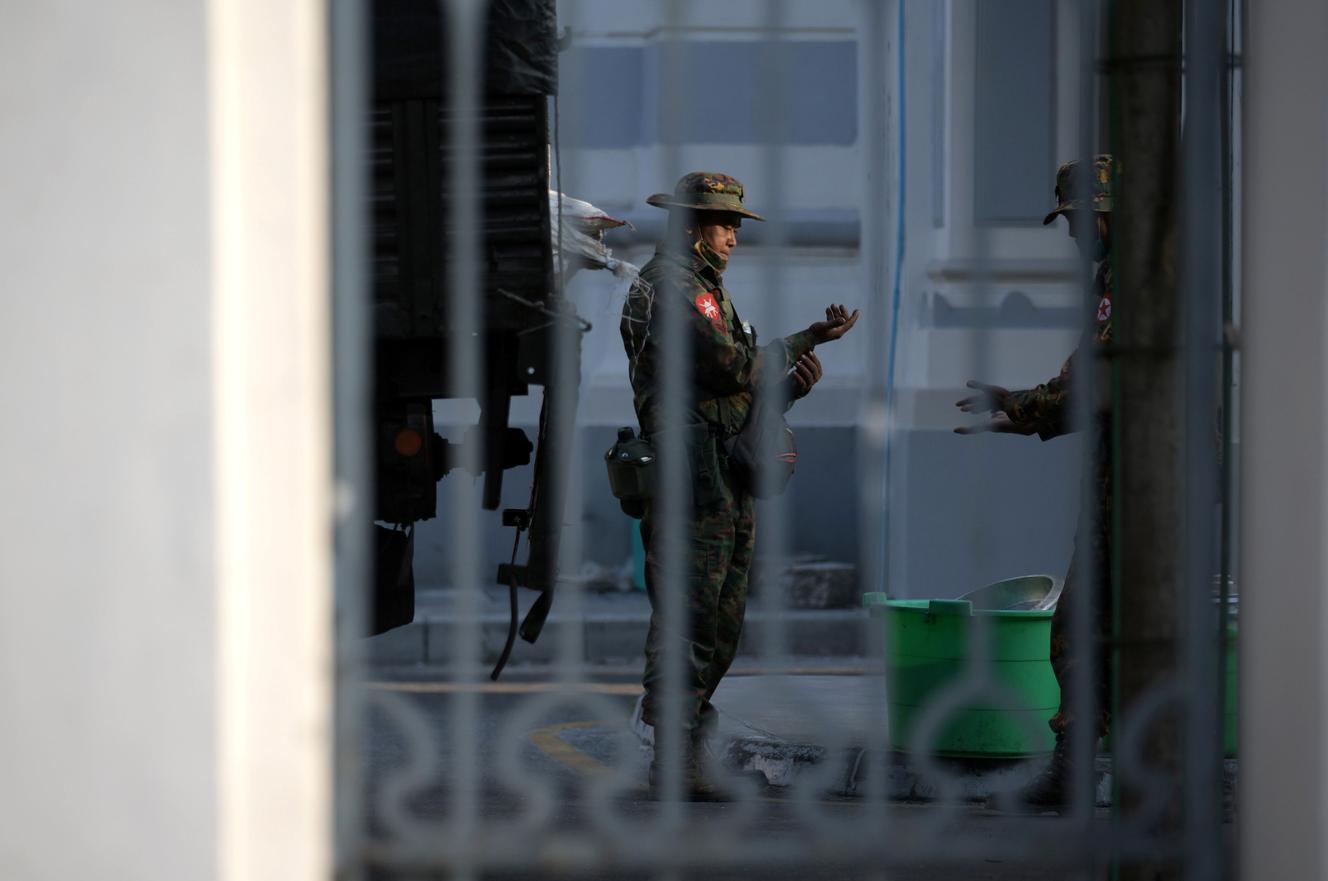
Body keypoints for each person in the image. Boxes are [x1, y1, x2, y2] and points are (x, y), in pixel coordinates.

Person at [620, 171, 858, 799]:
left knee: (720, 622)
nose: (732, 237)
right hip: (688, 482)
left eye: (734, 226)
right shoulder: (671, 287)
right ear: (693, 227)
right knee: (688, 620)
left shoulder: (704, 289)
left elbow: (733, 392)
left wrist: (792, 374)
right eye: (724, 225)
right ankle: (673, 760)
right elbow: (731, 365)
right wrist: (795, 345)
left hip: (723, 477)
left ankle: (691, 755)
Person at [954, 155, 1120, 808]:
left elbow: (1100, 381)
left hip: (1143, 493)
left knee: (1087, 627)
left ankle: (1093, 770)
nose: (1073, 234)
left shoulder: (1131, 281)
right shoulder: (1119, 276)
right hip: (1120, 485)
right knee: (1089, 627)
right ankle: (1082, 769)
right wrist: (1020, 411)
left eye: (1079, 220)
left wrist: (1023, 406)